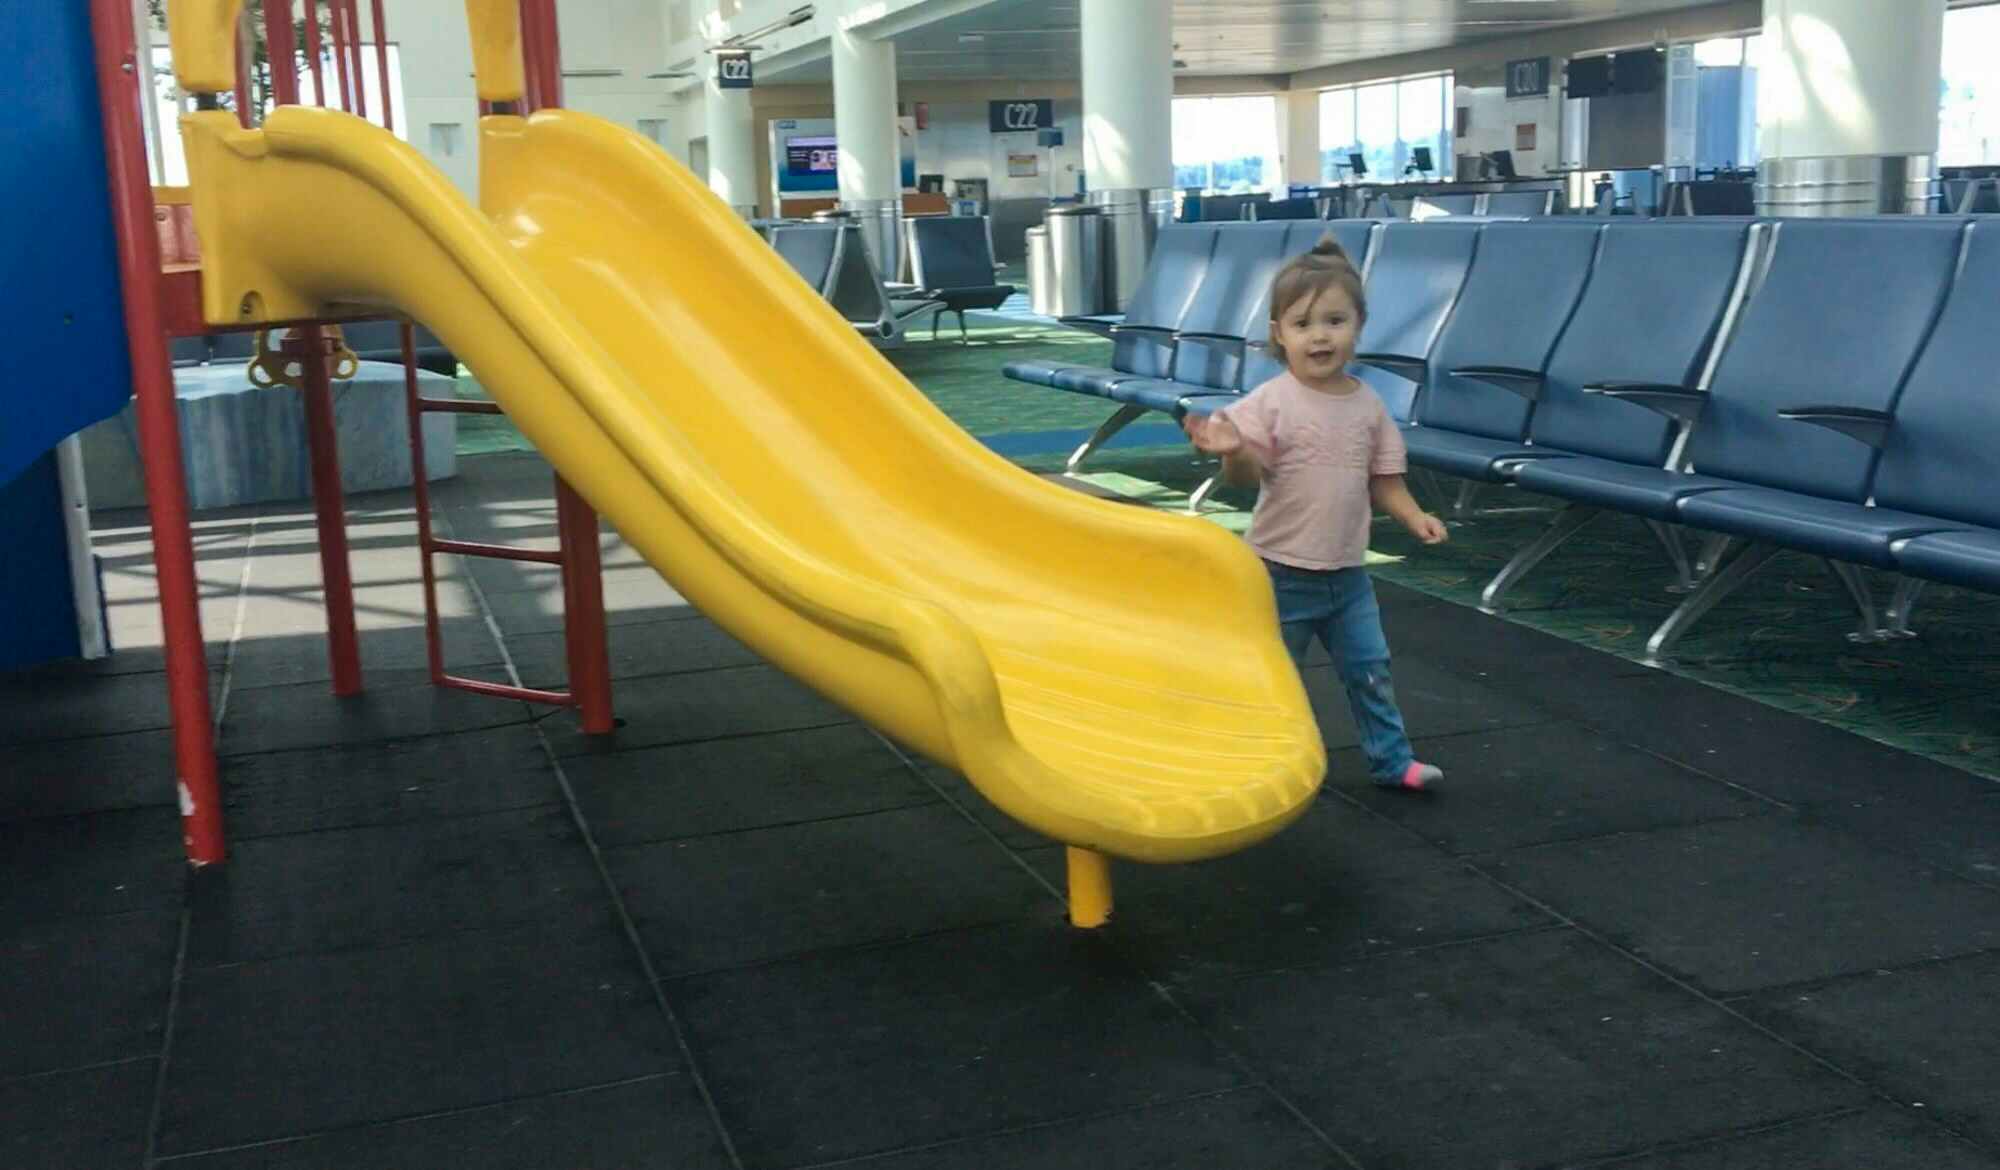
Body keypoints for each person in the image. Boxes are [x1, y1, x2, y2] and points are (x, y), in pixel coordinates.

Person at [1184, 234, 1449, 792]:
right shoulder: (1271, 402)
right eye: (1303, 324)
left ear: (1358, 325)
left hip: (1348, 577)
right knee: (1271, 677)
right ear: (1280, 334)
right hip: (1280, 573)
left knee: (1371, 671)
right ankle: (1248, 760)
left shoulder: (1369, 404)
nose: (1320, 335)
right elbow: (1244, 479)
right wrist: (1234, 451)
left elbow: (1384, 479)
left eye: (1334, 320)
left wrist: (1413, 516)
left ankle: (1391, 761)